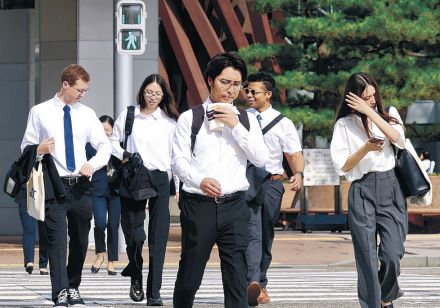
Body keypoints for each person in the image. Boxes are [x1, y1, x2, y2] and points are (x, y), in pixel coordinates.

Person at [171, 51, 269, 308]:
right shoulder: (190, 118)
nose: (231, 90)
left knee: (237, 278)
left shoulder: (247, 119)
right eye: (225, 82)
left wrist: (236, 126)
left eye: (237, 84)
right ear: (210, 80)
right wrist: (200, 179)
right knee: (190, 275)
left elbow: (260, 159)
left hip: (235, 205)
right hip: (198, 204)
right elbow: (178, 162)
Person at [21, 64, 112, 307]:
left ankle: (73, 286)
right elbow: (25, 147)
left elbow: (105, 146)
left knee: (81, 240)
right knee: (57, 241)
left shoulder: (87, 114)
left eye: (85, 91)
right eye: (80, 90)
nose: (83, 94)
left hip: (81, 185)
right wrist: (38, 150)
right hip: (53, 183)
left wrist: (92, 165)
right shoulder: (40, 112)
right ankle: (60, 292)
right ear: (66, 85)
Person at [330, 73, 407, 308]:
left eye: (373, 95)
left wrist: (371, 112)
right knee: (366, 256)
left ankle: (386, 296)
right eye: (365, 98)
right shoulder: (344, 125)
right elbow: (343, 166)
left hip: (392, 186)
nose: (371, 100)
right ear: (352, 99)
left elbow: (398, 139)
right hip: (362, 189)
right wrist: (366, 148)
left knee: (393, 253)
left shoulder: (390, 115)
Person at [111, 73, 179, 306]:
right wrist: (125, 156)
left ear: (163, 96)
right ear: (142, 92)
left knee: (158, 237)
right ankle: (136, 272)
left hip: (160, 179)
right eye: (149, 92)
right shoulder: (129, 115)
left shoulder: (170, 123)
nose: (153, 97)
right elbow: (112, 142)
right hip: (133, 176)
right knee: (134, 235)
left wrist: (178, 187)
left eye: (157, 94)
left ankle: (154, 292)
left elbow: (175, 158)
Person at [244, 72, 304, 306]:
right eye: (246, 91)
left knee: (266, 235)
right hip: (246, 184)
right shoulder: (240, 118)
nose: (248, 95)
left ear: (268, 94)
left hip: (272, 184)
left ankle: (261, 282)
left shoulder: (283, 122)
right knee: (251, 235)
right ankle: (252, 283)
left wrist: (298, 174)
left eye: (253, 91)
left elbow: (294, 153)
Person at [86, 115, 121, 276]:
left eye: (108, 130)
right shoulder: (90, 147)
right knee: (100, 223)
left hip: (115, 192)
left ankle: (111, 261)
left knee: (113, 225)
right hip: (97, 191)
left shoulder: (118, 147)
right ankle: (100, 254)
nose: (105, 133)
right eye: (102, 130)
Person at [16, 187, 49, 275]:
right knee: (29, 229)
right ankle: (29, 261)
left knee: (45, 231)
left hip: (44, 196)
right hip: (26, 194)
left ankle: (43, 264)